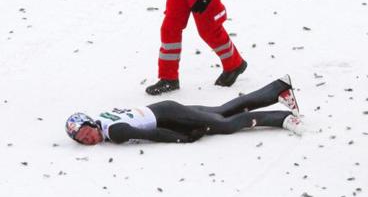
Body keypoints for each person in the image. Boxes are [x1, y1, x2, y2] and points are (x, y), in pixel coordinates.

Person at [65, 76, 301, 144]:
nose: (89, 140)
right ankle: (278, 88)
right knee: (223, 111)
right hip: (165, 111)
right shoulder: (102, 120)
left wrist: (183, 139)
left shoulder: (114, 132)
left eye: (87, 134)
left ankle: (282, 119)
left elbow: (151, 134)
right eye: (83, 141)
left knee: (224, 124)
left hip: (169, 116)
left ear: (91, 124)